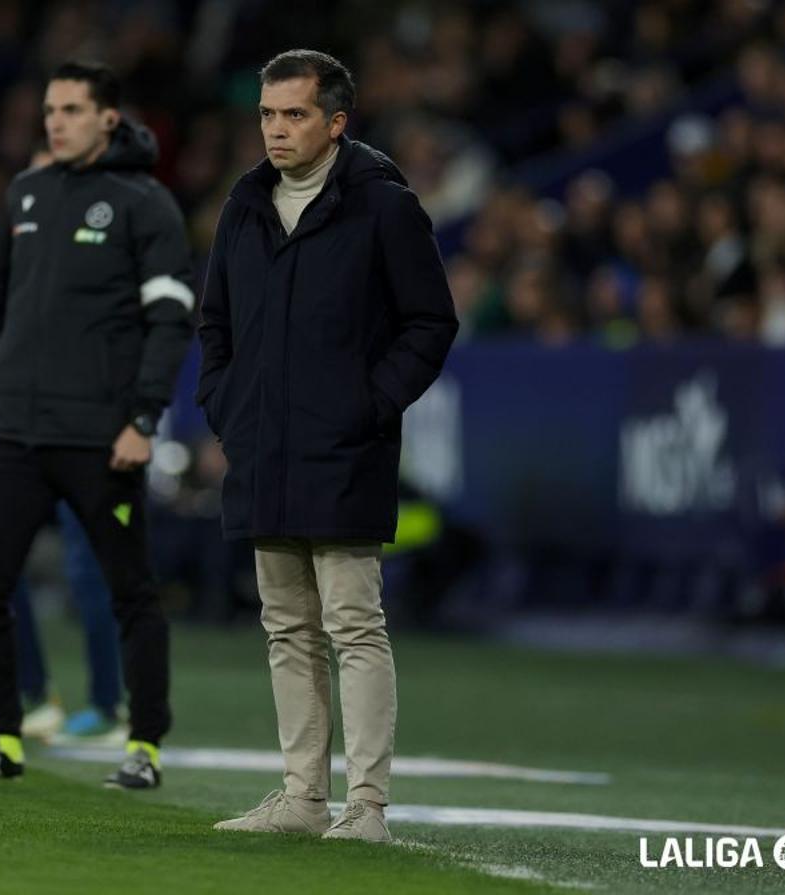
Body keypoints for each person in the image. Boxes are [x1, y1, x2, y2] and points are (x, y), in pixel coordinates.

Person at [197, 50, 458, 840]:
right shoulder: (244, 206)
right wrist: (228, 408)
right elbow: (216, 326)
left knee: (353, 622)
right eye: (268, 115)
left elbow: (430, 322)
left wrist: (368, 406)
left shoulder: (382, 205)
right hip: (263, 448)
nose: (276, 130)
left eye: (295, 114)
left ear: (336, 122)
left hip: (345, 447)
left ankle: (367, 805)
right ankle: (302, 798)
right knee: (286, 626)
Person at [0, 60, 193, 789]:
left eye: (72, 110)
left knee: (130, 593)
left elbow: (171, 319)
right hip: (15, 433)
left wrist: (144, 417)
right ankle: (4, 739)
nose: (56, 121)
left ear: (108, 118)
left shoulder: (145, 202)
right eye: (50, 110)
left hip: (100, 438)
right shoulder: (26, 191)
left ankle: (144, 744)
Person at [0, 366, 126, 744]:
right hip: (34, 446)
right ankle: (33, 697)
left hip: (88, 446)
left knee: (89, 574)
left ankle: (109, 706)